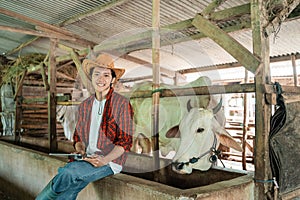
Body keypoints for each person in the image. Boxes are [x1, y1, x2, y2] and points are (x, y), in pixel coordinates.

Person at [36, 53, 134, 200]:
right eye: (97, 74)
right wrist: (81, 149)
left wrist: (104, 160)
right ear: (91, 77)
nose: (101, 79)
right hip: (87, 158)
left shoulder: (121, 104)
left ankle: (43, 198)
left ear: (113, 79)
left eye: (106, 75)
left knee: (69, 172)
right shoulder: (86, 105)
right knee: (70, 190)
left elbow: (125, 142)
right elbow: (78, 136)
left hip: (110, 162)